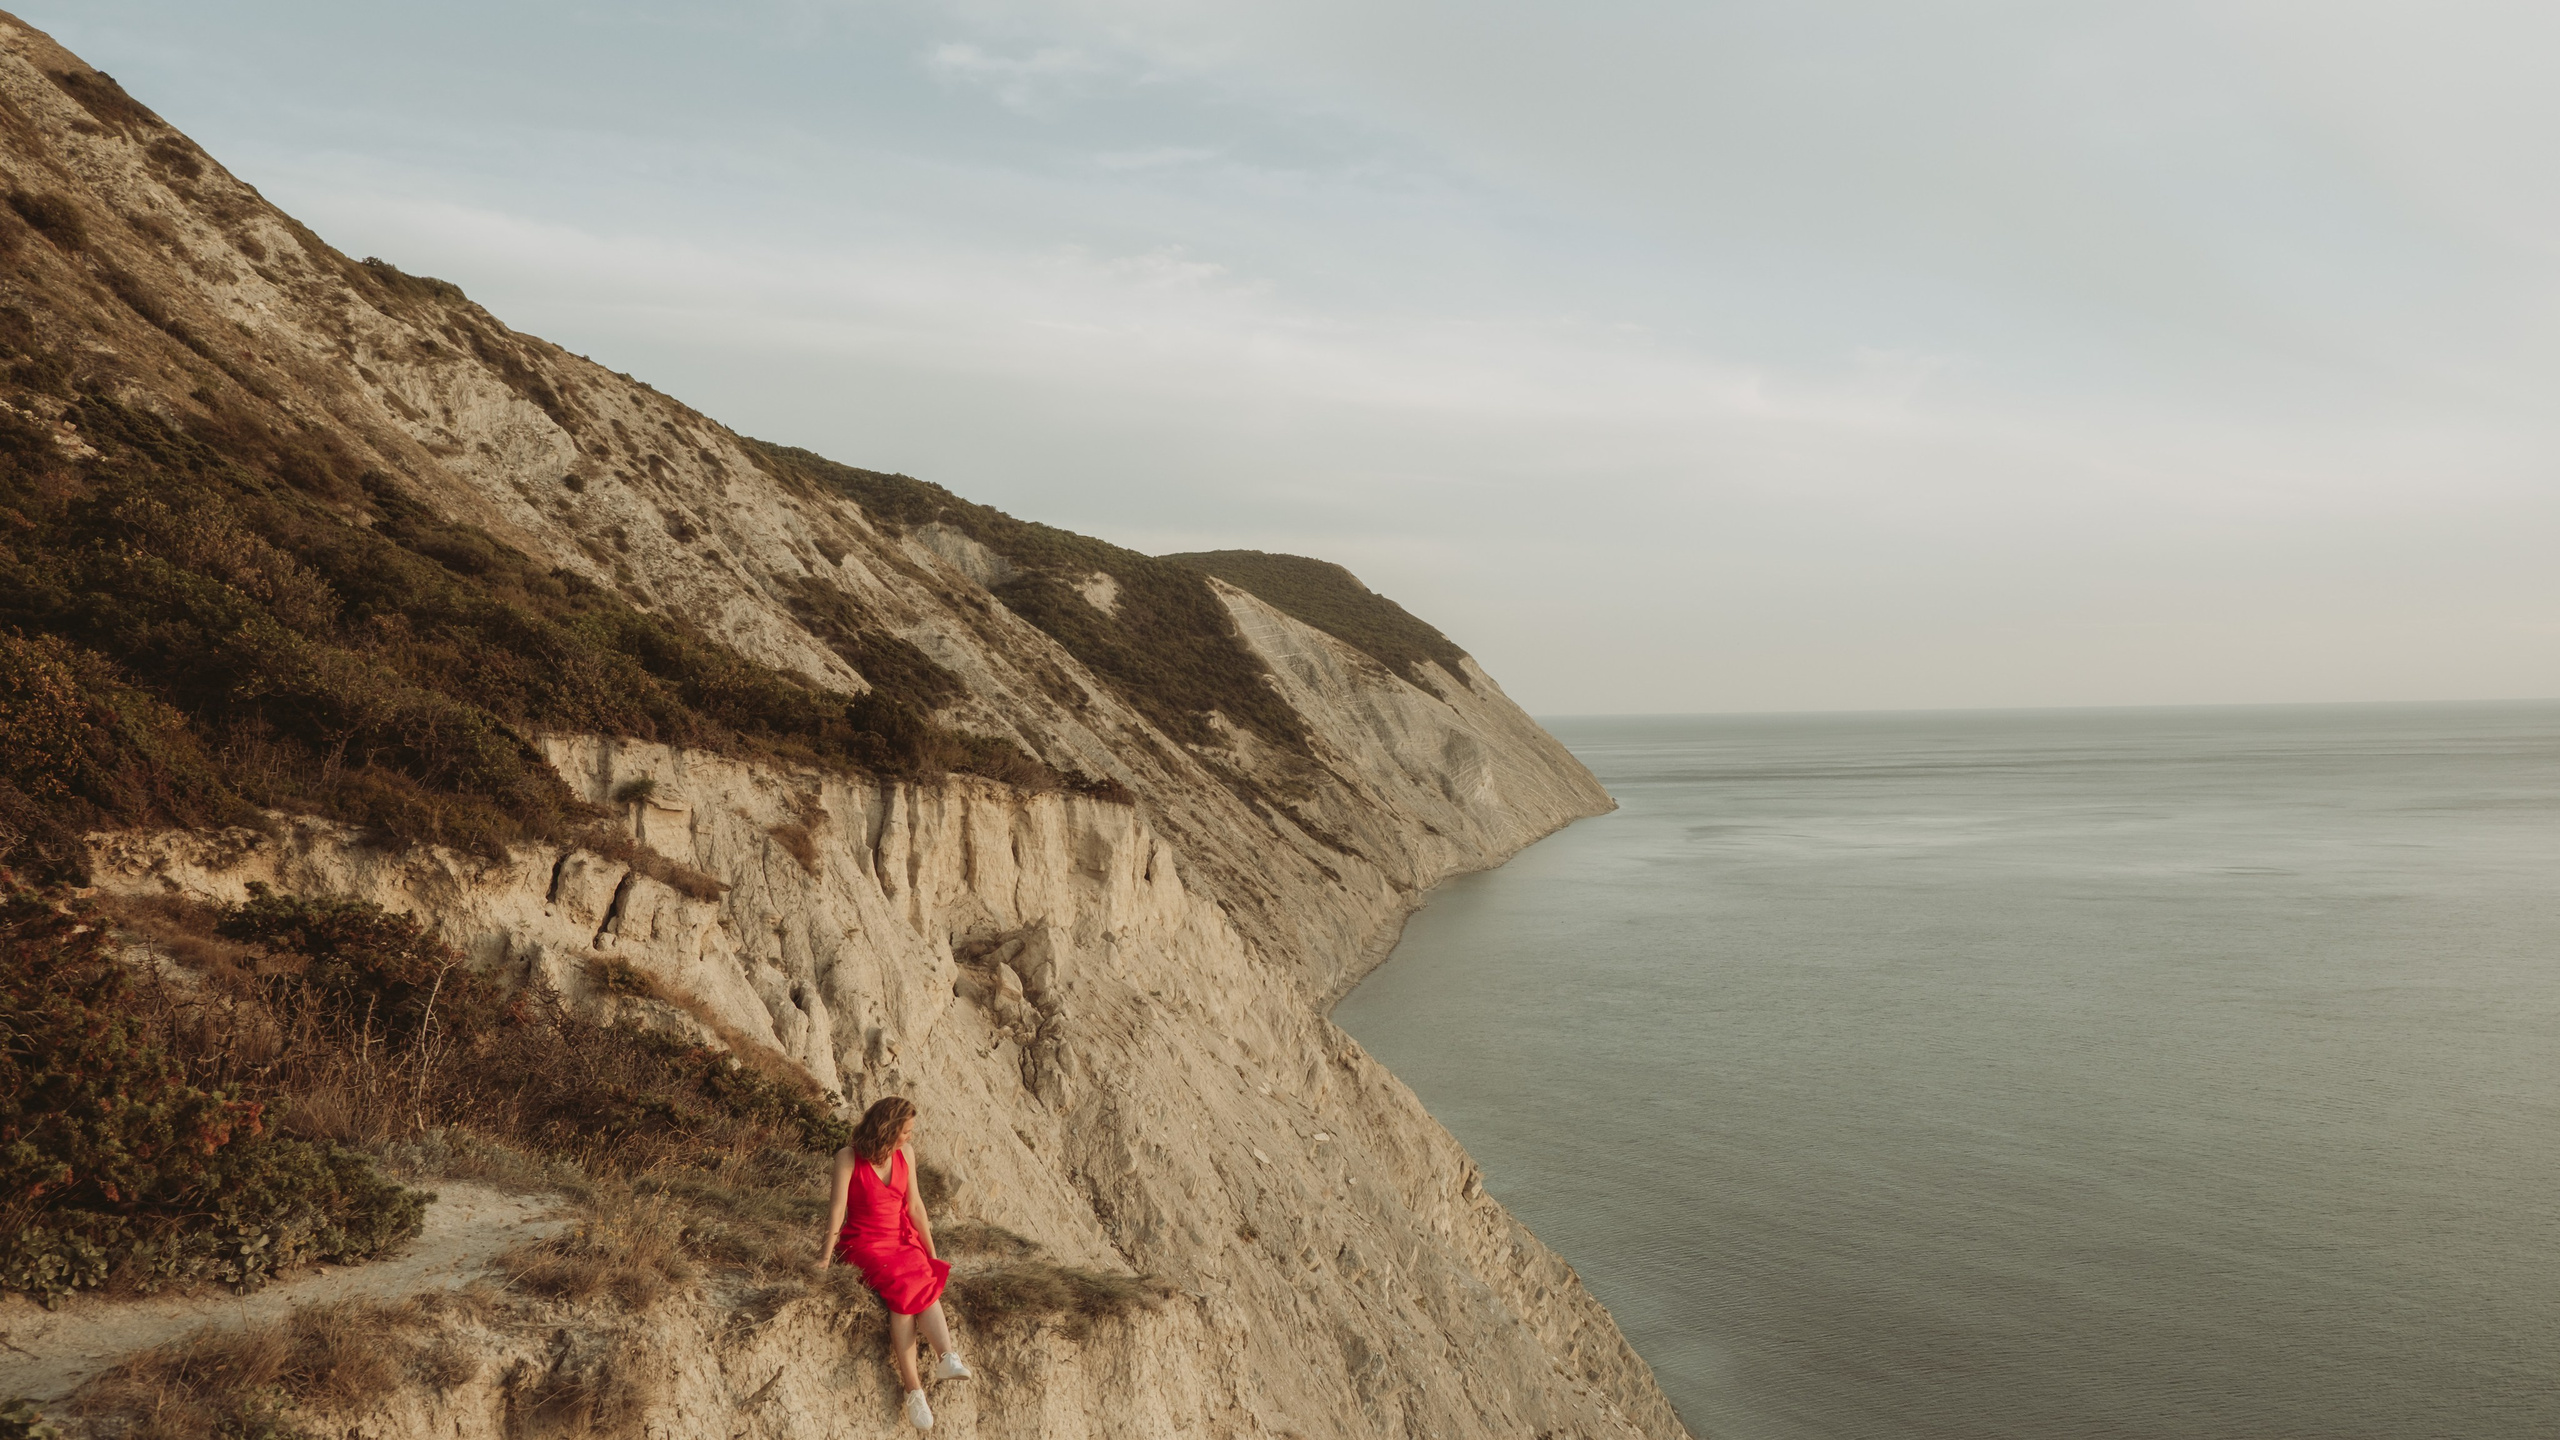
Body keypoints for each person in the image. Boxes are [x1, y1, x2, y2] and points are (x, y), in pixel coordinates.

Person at [818, 1096, 969, 1429]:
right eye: (906, 1131)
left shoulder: (906, 1155)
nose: (910, 1137)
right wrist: (825, 1259)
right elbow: (836, 1212)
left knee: (920, 1277)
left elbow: (915, 1207)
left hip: (900, 1239)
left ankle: (944, 1361)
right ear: (887, 1128)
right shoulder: (847, 1158)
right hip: (864, 1243)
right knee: (905, 1285)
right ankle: (915, 1389)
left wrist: (930, 1252)